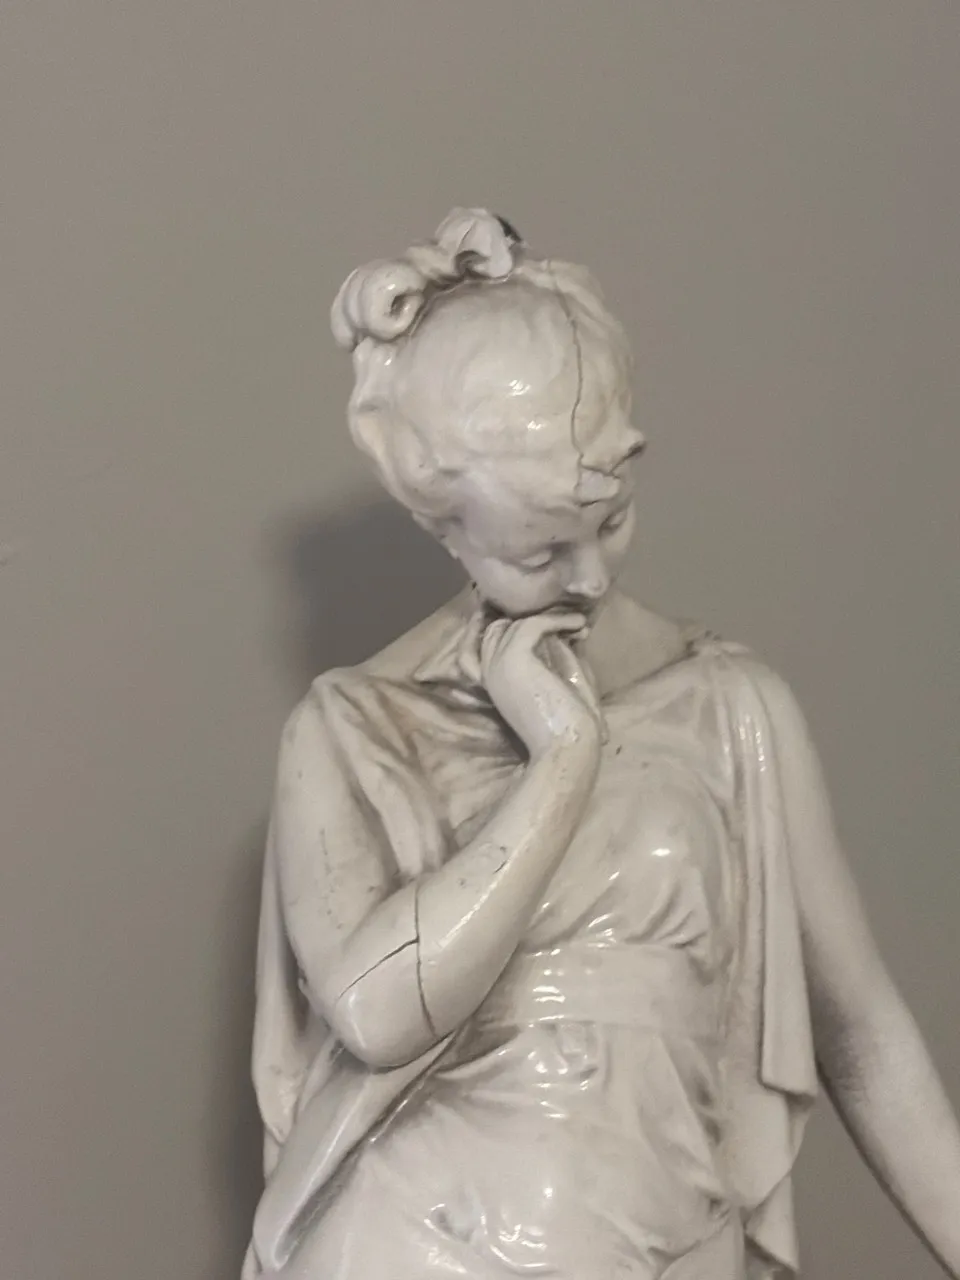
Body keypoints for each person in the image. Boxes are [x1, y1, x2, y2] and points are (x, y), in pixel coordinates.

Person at [243, 210, 960, 1279]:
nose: (588, 577)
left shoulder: (731, 706)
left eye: (611, 521)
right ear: (445, 528)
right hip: (408, 1243)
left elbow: (859, 1037)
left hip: (666, 1237)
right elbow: (376, 1014)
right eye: (540, 553)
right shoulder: (353, 725)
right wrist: (563, 762)